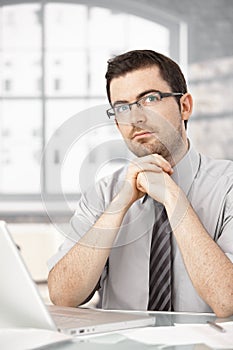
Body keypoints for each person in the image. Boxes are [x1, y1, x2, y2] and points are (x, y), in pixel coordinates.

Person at [47, 50, 233, 317]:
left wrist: (172, 198)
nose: (136, 118)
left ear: (185, 106)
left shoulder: (228, 187)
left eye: (149, 99)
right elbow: (63, 296)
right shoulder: (103, 194)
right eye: (122, 107)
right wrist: (118, 205)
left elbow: (227, 300)